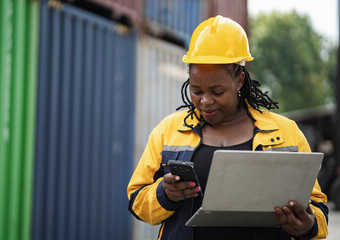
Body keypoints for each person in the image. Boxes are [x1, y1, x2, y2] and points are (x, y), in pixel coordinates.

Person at [127, 15, 328, 240]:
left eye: (217, 91)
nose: (205, 101)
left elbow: (317, 209)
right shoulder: (168, 130)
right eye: (196, 90)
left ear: (239, 80)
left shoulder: (285, 133)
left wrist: (307, 226)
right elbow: (136, 202)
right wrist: (165, 194)